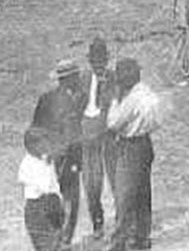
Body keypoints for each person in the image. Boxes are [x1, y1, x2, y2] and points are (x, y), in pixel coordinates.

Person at [105, 57, 161, 251]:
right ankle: (141, 239)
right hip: (146, 144)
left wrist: (114, 100)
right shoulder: (148, 93)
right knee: (143, 195)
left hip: (130, 147)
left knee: (124, 196)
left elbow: (113, 123)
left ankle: (118, 242)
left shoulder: (131, 99)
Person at [32, 60, 85, 247]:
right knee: (66, 198)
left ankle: (61, 240)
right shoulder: (67, 100)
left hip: (63, 156)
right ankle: (61, 240)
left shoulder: (76, 98)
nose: (79, 79)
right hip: (59, 156)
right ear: (67, 79)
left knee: (65, 198)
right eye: (76, 76)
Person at [80, 37, 117, 240]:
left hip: (107, 135)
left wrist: (105, 90)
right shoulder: (83, 79)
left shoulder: (114, 79)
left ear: (107, 60)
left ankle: (122, 219)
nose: (98, 66)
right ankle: (98, 222)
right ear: (90, 62)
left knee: (115, 179)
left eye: (101, 62)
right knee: (91, 183)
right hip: (87, 134)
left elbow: (116, 106)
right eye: (95, 62)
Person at [18, 125, 63, 251]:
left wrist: (58, 199)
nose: (46, 146)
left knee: (56, 240)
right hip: (36, 207)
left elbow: (54, 184)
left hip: (52, 203)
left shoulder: (47, 160)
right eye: (42, 144)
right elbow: (43, 186)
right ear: (31, 147)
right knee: (44, 243)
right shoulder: (27, 164)